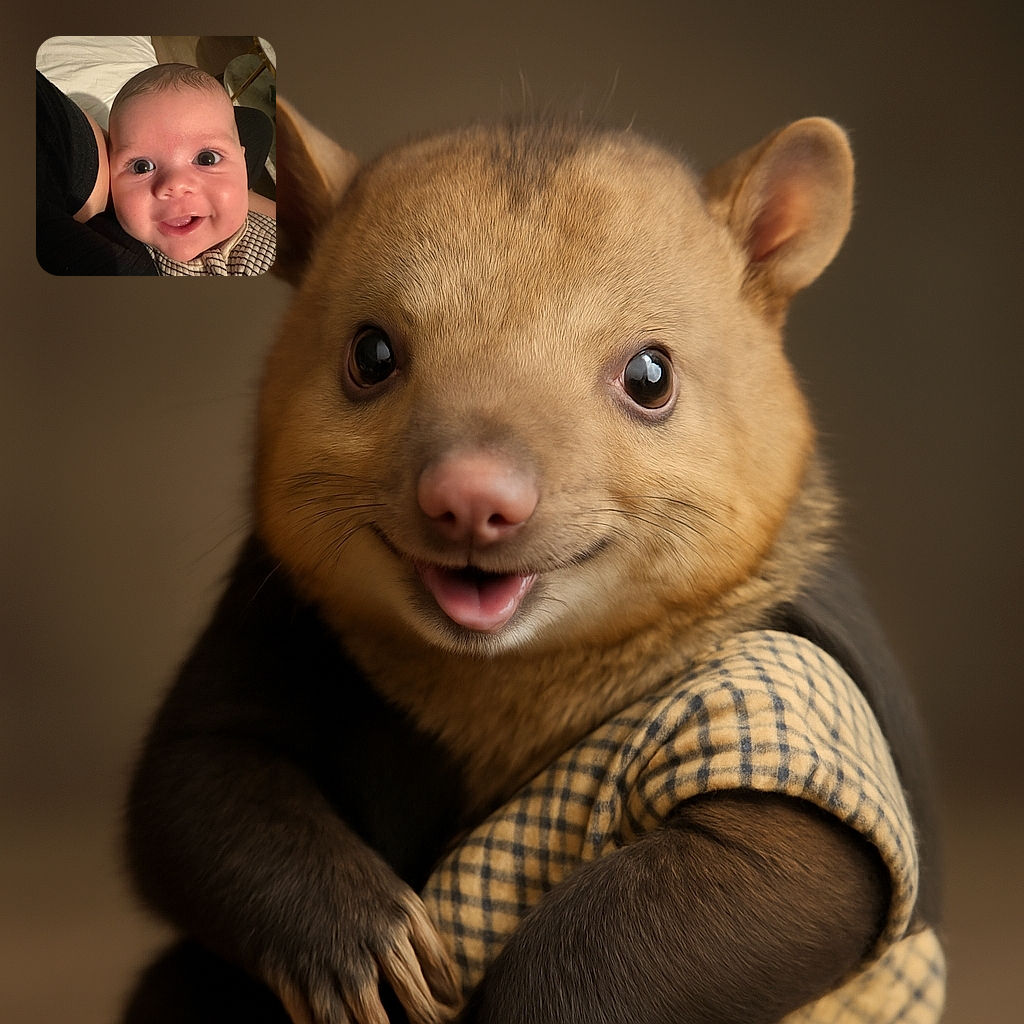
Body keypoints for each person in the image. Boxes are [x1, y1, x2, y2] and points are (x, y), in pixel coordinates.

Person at [106, 63, 275, 276]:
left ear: (243, 164)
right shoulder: (113, 254)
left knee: (260, 124)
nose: (176, 185)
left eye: (207, 159)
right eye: (142, 167)